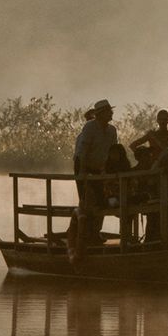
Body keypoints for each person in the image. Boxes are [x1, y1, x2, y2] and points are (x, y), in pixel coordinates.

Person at [71, 99, 118, 246]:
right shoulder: (90, 127)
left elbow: (113, 151)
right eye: (108, 111)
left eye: (111, 110)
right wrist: (83, 173)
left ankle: (94, 233)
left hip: (100, 168)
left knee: (102, 200)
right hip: (83, 165)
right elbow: (83, 152)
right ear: (100, 114)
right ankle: (81, 234)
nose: (111, 113)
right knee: (86, 201)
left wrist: (108, 172)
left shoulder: (112, 130)